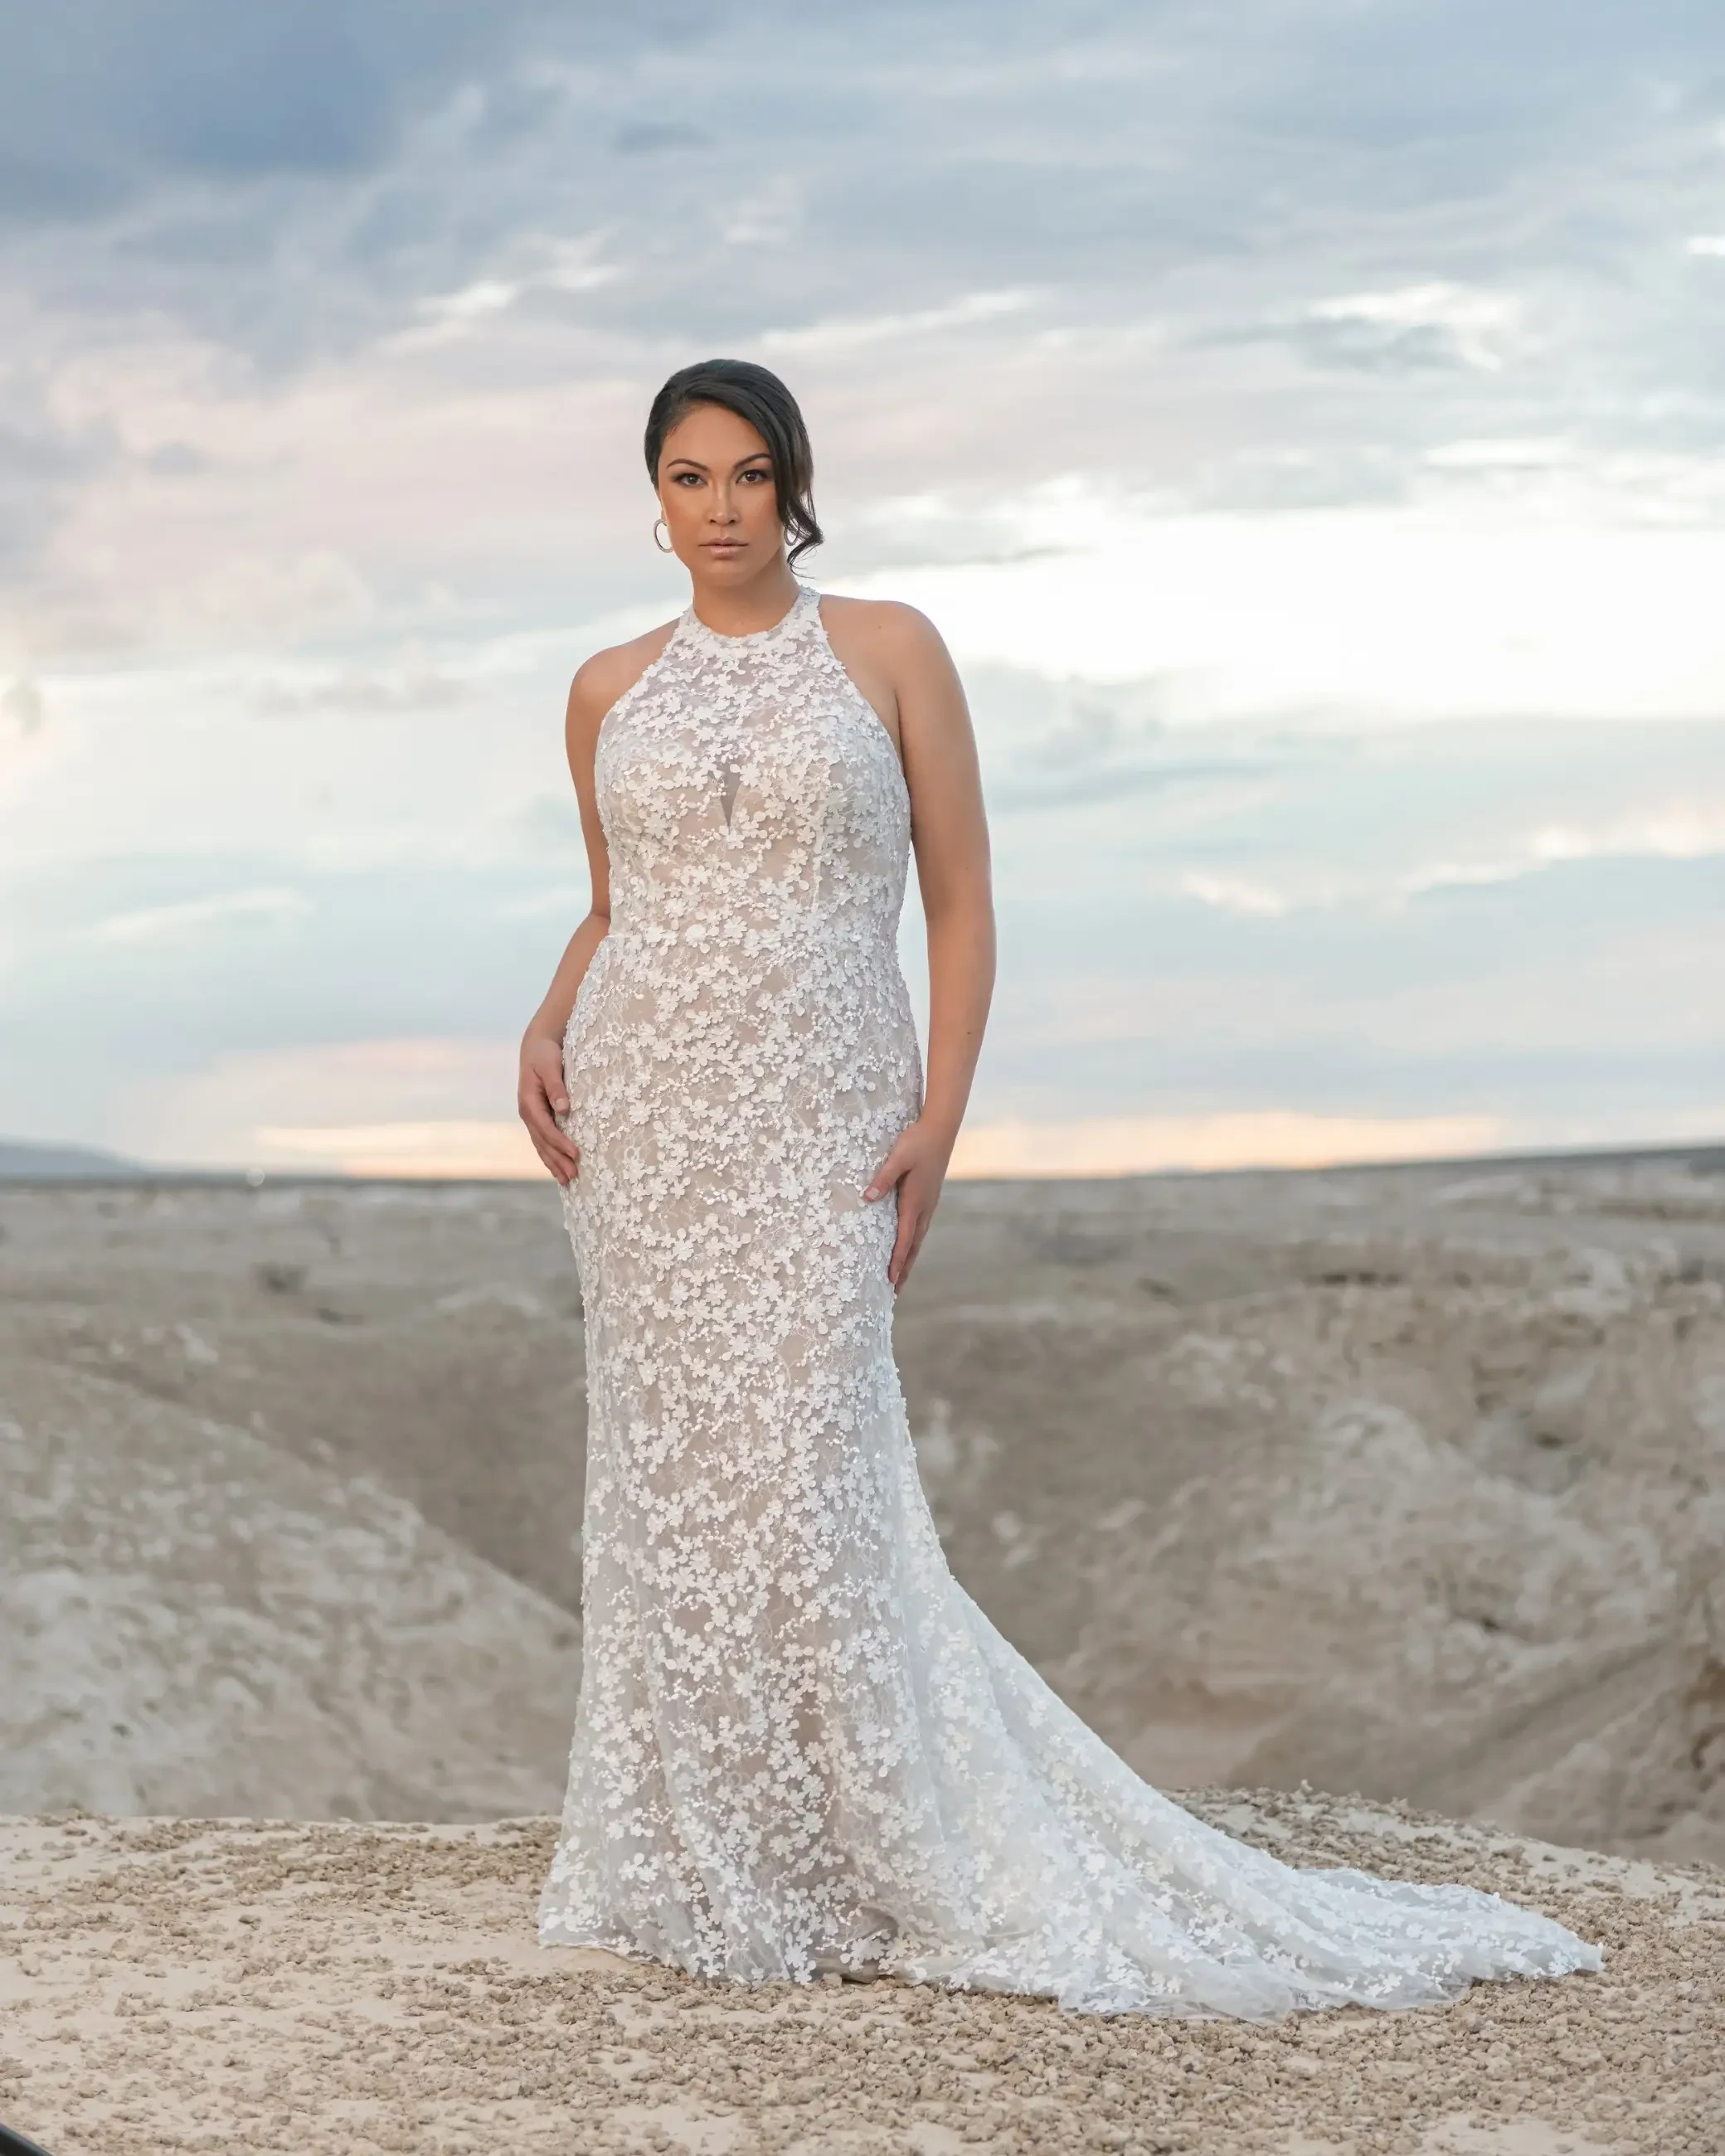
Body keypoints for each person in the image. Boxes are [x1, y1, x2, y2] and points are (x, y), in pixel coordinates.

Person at [517, 358, 1602, 2016]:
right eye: (685, 478)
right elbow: (619, 905)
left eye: (747, 475)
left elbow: (956, 901)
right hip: (647, 1122)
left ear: (794, 485)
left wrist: (939, 1119)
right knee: (686, 1484)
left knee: (811, 1462)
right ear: (649, 496)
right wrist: (542, 1019)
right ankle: (718, 1857)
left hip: (821, 1111)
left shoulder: (886, 648)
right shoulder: (604, 688)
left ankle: (875, 1850)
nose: (719, 509)